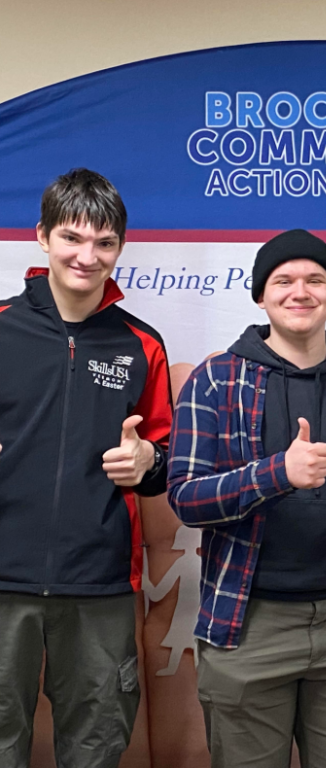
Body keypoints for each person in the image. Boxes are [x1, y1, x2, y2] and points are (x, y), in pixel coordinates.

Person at [167, 229, 326, 768]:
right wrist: (277, 473)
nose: (301, 291)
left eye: (315, 279)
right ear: (260, 295)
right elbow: (185, 497)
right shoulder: (215, 381)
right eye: (284, 280)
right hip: (248, 627)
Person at [0, 168, 173, 768]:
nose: (87, 256)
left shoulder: (141, 345)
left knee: (97, 742)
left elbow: (163, 462)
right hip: (2, 579)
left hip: (98, 583)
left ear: (119, 249)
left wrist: (150, 460)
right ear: (42, 237)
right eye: (72, 238)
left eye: (103, 243)